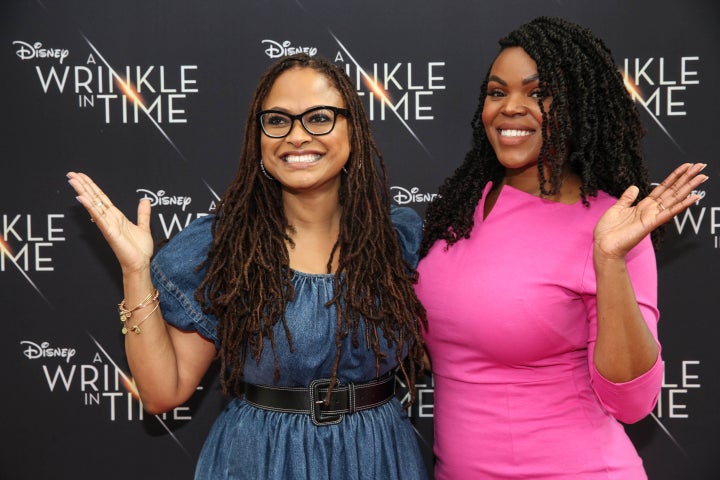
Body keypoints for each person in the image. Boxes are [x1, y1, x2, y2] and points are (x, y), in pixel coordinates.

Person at [67, 53, 429, 480]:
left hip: (378, 459)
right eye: (277, 121)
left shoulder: (399, 237)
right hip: (260, 460)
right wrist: (134, 270)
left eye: (319, 118)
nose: (296, 136)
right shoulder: (224, 247)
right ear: (258, 137)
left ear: (354, 130)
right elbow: (162, 393)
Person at [414, 16, 708, 479]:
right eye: (497, 92)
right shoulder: (457, 211)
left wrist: (608, 261)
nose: (511, 107)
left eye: (538, 93)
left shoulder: (611, 227)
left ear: (577, 106)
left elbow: (631, 403)